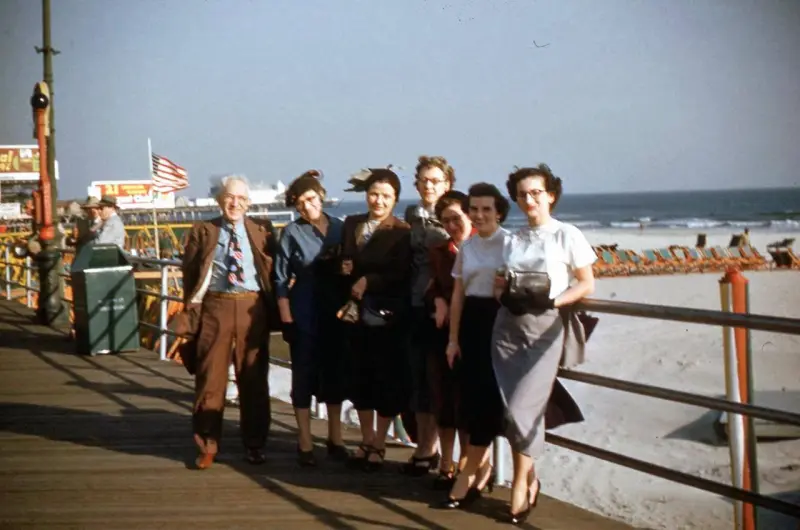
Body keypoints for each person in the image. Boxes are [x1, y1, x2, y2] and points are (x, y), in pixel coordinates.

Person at [492, 164, 596, 524]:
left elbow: (586, 284)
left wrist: (554, 303)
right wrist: (504, 293)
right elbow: (500, 281)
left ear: (550, 194)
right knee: (511, 409)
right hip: (507, 327)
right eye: (522, 194)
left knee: (522, 411)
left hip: (545, 328)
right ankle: (529, 478)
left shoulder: (567, 234)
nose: (529, 199)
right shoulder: (513, 238)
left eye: (536, 192)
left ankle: (520, 486)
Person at [180, 174, 277, 470]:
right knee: (210, 377)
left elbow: (273, 268)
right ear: (220, 199)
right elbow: (190, 273)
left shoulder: (263, 229)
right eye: (230, 197)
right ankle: (208, 443)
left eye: (241, 199)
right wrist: (192, 312)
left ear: (248, 203)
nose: (235, 203)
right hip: (216, 305)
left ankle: (255, 444)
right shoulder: (203, 230)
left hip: (252, 306)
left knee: (253, 377)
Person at [438, 183, 510, 509]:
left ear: (499, 212)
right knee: (472, 400)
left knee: (493, 402)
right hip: (472, 324)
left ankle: (468, 478)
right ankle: (480, 471)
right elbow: (457, 296)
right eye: (474, 209)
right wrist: (453, 339)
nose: (479, 215)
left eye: (486, 209)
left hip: (502, 324)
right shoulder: (467, 248)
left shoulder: (511, 243)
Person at [275, 170, 351, 467]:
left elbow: (351, 265)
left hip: (335, 311)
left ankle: (336, 438)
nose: (306, 207)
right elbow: (280, 277)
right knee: (303, 375)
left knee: (334, 374)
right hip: (304, 311)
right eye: (299, 204)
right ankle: (305, 440)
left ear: (320, 195)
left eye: (310, 199)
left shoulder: (340, 227)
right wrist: (286, 317)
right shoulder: (292, 233)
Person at [340, 168, 411, 472]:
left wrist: (370, 279)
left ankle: (380, 442)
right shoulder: (352, 224)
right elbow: (344, 259)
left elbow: (402, 274)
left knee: (384, 378)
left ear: (395, 198)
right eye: (374, 194)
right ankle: (366, 439)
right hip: (353, 314)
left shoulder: (401, 231)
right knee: (359, 377)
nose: (378, 201)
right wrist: (342, 267)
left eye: (386, 196)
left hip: (384, 316)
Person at [402, 155, 454, 477]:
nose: (429, 185)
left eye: (436, 180)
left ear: (447, 184)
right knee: (418, 378)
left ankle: (442, 453)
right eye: (424, 180)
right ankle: (425, 446)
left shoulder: (453, 216)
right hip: (412, 304)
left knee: (440, 381)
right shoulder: (412, 215)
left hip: (442, 307)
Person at [425, 190, 475, 489]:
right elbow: (431, 285)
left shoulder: (484, 248)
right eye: (445, 221)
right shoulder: (439, 252)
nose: (452, 225)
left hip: (476, 332)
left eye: (457, 218)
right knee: (444, 400)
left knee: (469, 403)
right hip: (444, 334)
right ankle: (446, 462)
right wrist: (438, 300)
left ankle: (469, 465)